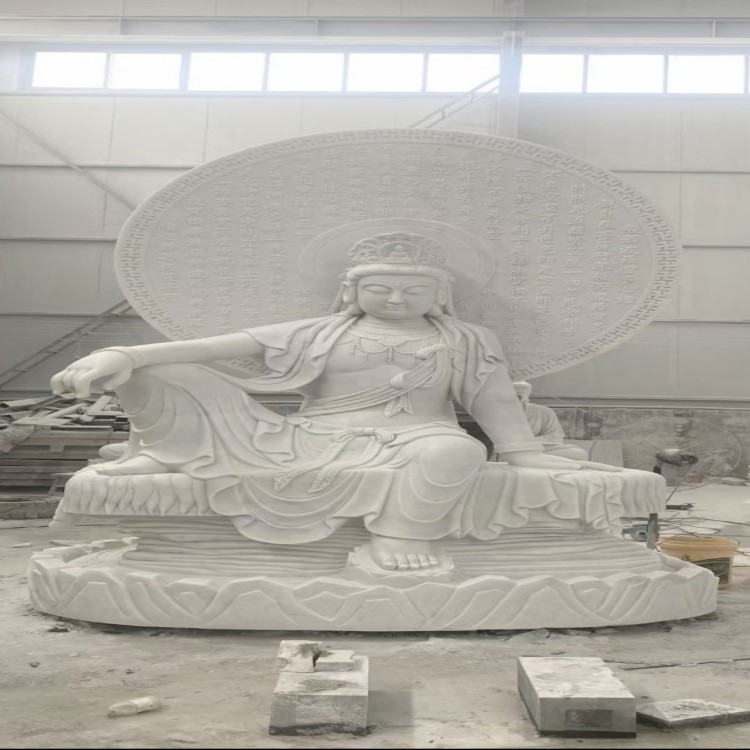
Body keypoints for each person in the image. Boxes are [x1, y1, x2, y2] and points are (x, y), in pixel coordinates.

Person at [51, 233, 615, 573]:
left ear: (440, 294)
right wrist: (124, 353)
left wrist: (525, 455)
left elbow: (493, 402)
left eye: (413, 290)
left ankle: (400, 536)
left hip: (420, 438)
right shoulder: (318, 331)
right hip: (308, 438)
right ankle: (169, 449)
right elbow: (209, 348)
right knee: (165, 370)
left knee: (459, 452)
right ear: (351, 290)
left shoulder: (467, 338)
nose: (396, 298)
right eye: (380, 289)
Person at [512, 381, 589, 461]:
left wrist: (526, 442)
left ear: (527, 395)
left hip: (536, 449)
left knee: (578, 453)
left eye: (521, 394)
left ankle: (529, 459)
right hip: (509, 451)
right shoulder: (502, 413)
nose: (518, 397)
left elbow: (555, 437)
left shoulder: (544, 411)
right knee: (513, 455)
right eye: (515, 393)